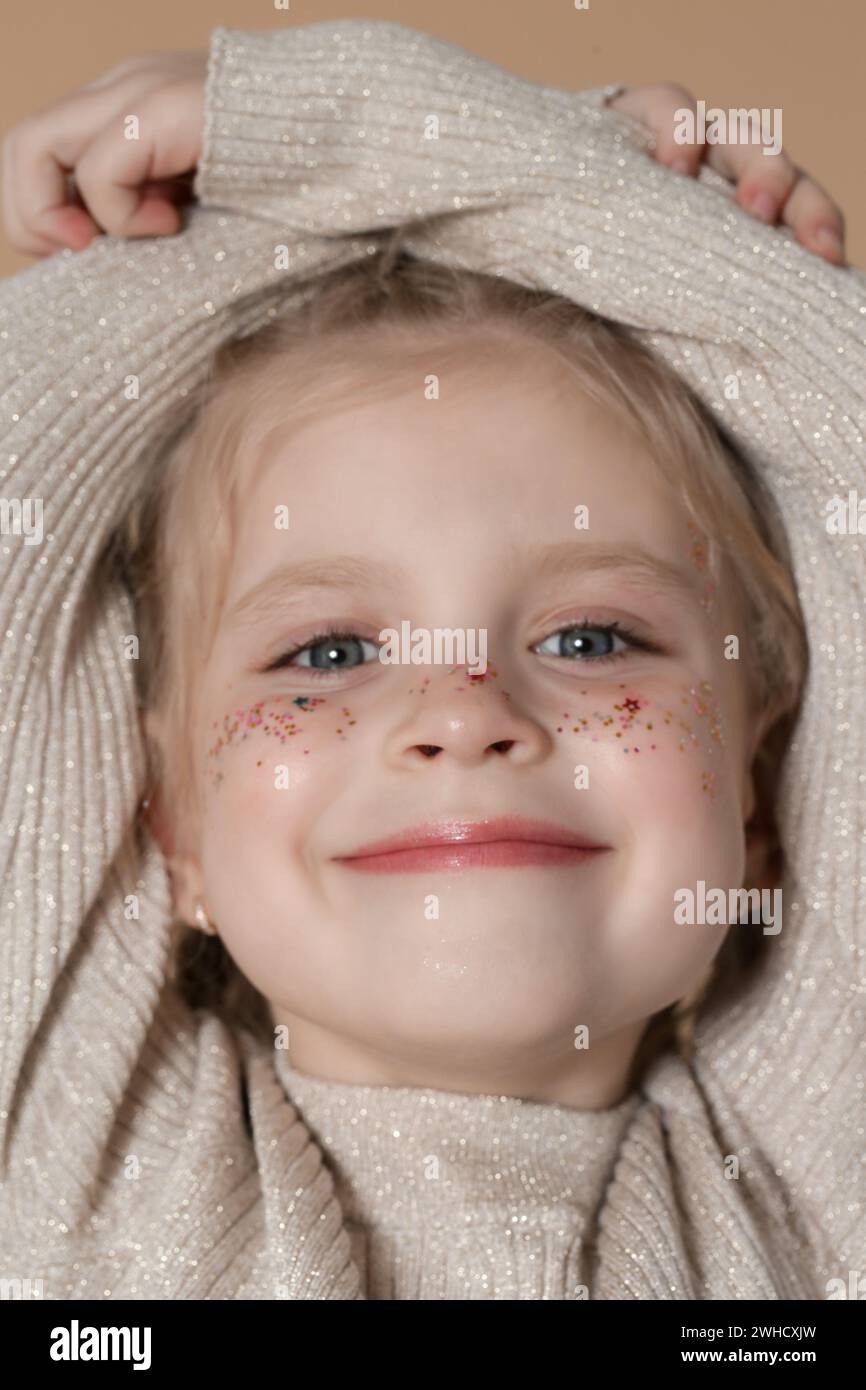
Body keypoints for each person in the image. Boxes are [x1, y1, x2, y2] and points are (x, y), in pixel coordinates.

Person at [0, 19, 862, 1300]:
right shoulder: (77, 1195)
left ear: (759, 789)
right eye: (328, 650)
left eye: (588, 638)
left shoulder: (809, 1219)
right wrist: (345, 141)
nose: (463, 715)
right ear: (166, 822)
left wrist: (613, 189)